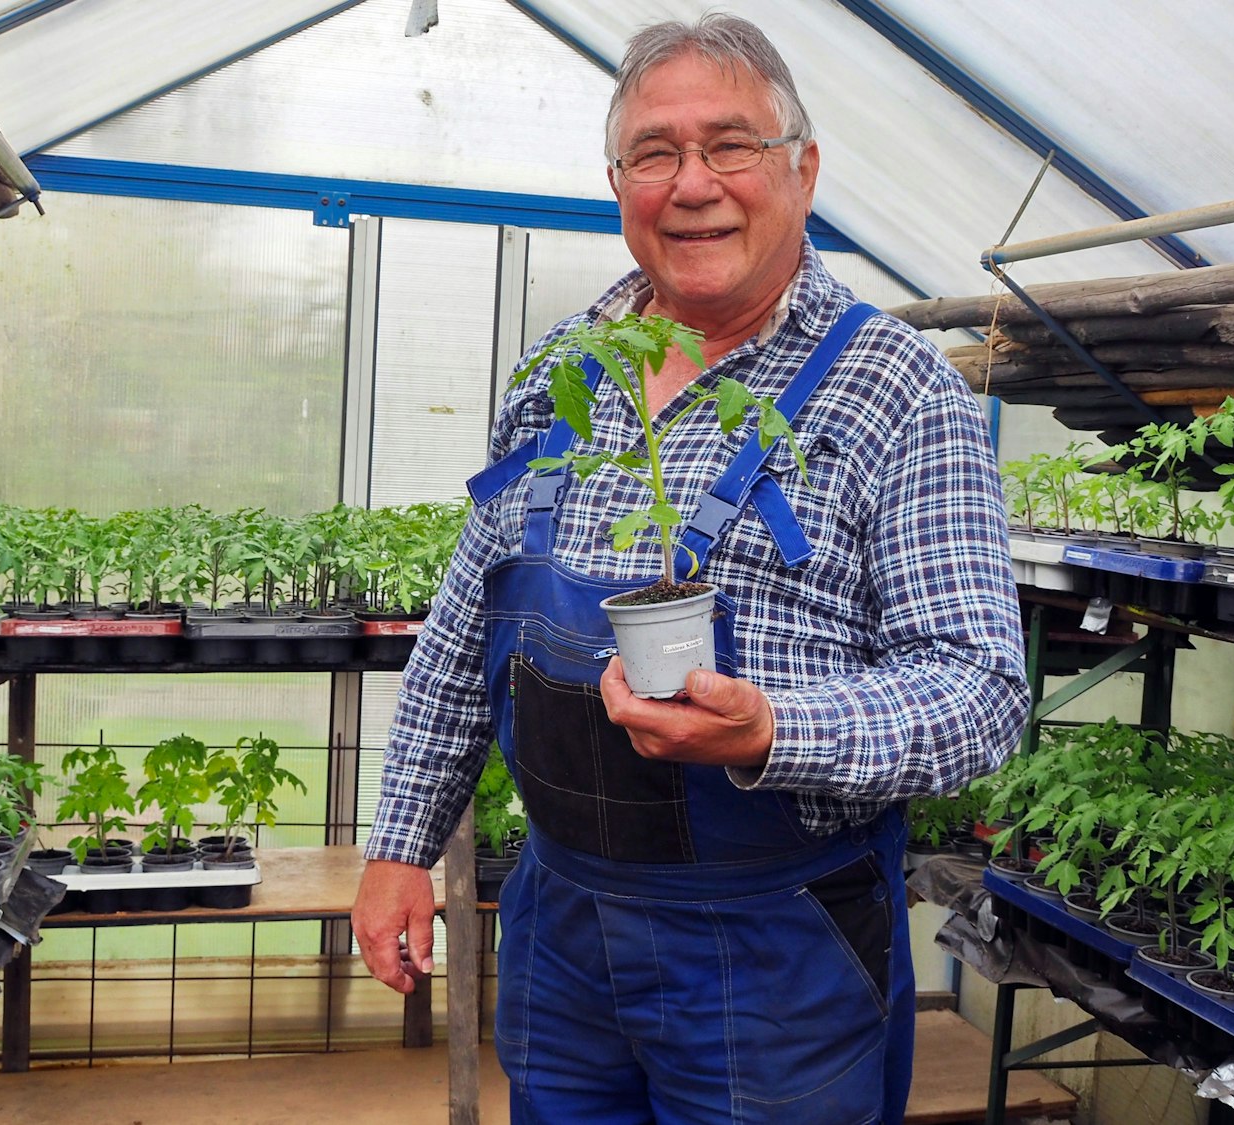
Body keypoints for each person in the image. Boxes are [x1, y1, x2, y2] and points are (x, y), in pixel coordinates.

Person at [353, 13, 1027, 1123]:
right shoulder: (562, 375)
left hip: (775, 945)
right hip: (562, 923)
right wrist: (397, 849)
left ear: (801, 171)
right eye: (653, 154)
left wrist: (772, 730)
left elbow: (977, 694)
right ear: (616, 182)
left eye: (730, 146)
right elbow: (464, 630)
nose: (692, 183)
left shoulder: (899, 394)